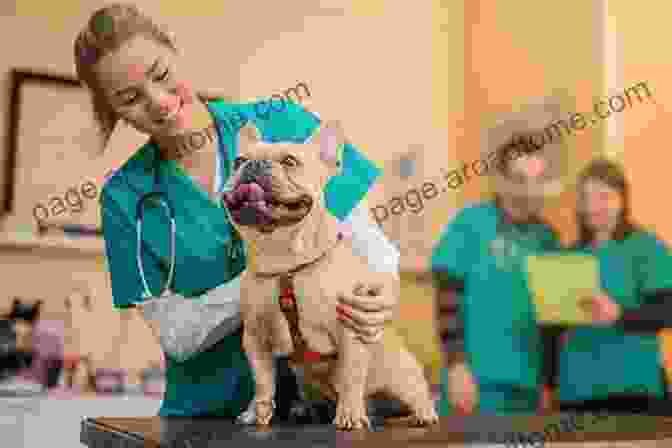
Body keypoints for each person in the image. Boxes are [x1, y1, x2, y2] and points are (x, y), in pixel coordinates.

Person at [74, 3, 400, 420]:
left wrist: (383, 291)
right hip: (210, 418)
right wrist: (273, 276)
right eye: (129, 98)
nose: (158, 102)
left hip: (328, 409)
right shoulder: (124, 199)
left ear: (175, 49)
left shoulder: (283, 123)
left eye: (161, 74)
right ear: (111, 109)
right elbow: (177, 335)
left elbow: (372, 250)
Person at [431, 102, 567, 415]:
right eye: (520, 179)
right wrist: (456, 367)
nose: (530, 190)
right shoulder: (471, 224)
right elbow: (447, 298)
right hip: (476, 385)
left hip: (529, 388)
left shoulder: (549, 238)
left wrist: (549, 384)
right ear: (502, 180)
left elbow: (552, 324)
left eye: (538, 180)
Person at [555, 158, 672, 415]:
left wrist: (619, 315)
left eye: (604, 197)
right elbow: (553, 329)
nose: (593, 206)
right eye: (586, 197)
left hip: (633, 391)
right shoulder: (568, 255)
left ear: (622, 201)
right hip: (575, 392)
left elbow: (667, 312)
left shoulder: (647, 248)